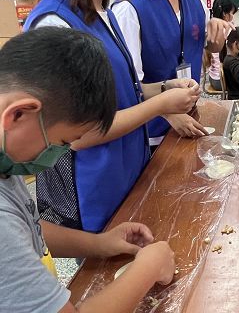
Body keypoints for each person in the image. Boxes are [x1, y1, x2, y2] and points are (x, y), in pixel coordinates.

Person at [23, 0, 207, 233]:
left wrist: (164, 87)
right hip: (92, 185)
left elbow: (127, 92)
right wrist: (161, 106)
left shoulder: (102, 13)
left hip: (126, 171)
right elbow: (79, 134)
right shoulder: (55, 23)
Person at [0, 27, 176, 313]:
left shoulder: (6, 161)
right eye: (62, 142)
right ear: (18, 114)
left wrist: (98, 244)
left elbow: (26, 226)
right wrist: (147, 270)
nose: (60, 152)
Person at [113, 0, 218, 144]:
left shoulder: (193, 1)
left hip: (190, 121)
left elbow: (200, 49)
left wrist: (215, 41)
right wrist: (167, 112)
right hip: (150, 133)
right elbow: (128, 87)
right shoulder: (131, 9)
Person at [207, 0, 238, 91]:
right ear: (225, 14)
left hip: (212, 77)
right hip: (222, 80)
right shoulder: (227, 29)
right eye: (232, 13)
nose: (233, 16)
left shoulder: (211, 29)